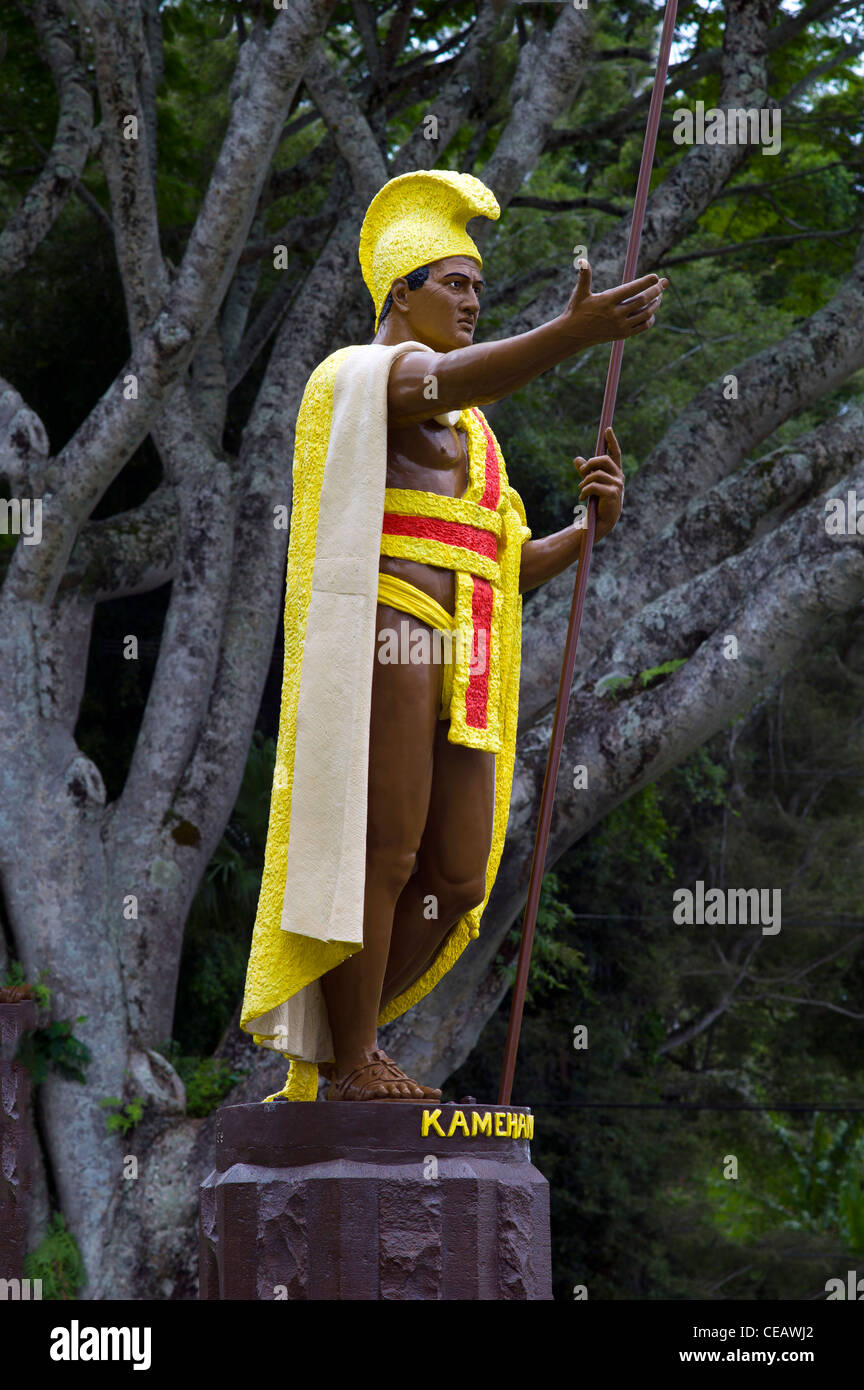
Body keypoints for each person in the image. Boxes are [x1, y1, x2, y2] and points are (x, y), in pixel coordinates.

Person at [240, 171, 666, 1102]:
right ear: (402, 290)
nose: (474, 300)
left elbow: (503, 564)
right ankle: (354, 1061)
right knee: (384, 851)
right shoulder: (358, 378)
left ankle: (338, 1034)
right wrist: (572, 333)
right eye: (455, 283)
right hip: (391, 628)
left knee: (459, 875)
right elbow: (441, 379)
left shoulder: (475, 431)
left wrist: (586, 533)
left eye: (478, 286)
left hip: (471, 650)